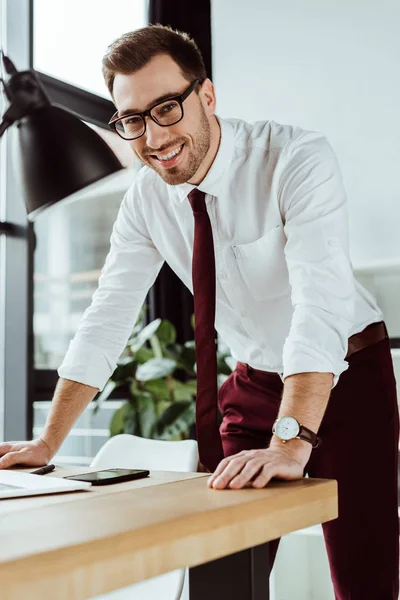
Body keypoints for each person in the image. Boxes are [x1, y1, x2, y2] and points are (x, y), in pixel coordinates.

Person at [0, 24, 398, 599]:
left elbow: (319, 308)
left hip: (349, 378)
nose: (153, 135)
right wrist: (47, 443)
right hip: (255, 382)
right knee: (223, 570)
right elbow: (106, 316)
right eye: (132, 119)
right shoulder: (144, 198)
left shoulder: (294, 159)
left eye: (166, 108)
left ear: (206, 96)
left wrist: (291, 442)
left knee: (365, 580)